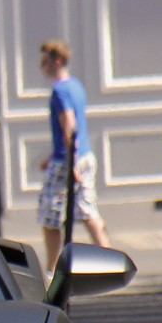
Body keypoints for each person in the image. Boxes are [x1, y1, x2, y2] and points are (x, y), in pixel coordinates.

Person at [36, 40, 111, 271]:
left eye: (45, 61)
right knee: (87, 209)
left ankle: (52, 268)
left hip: (69, 160)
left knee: (50, 216)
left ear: (57, 61)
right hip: (84, 156)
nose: (42, 66)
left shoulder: (60, 91)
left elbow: (69, 124)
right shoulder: (76, 85)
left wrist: (70, 162)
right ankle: (109, 258)